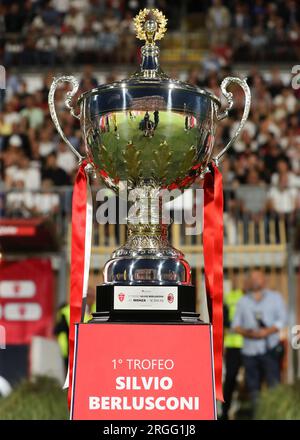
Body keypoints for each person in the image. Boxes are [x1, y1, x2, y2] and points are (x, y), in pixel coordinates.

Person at [232, 270, 287, 417]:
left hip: (270, 348)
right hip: (250, 350)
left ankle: (276, 415)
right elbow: (235, 325)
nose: (255, 280)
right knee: (253, 387)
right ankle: (258, 415)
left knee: (273, 385)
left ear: (264, 280)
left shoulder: (275, 298)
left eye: (258, 277)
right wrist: (248, 333)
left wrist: (267, 332)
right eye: (252, 278)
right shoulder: (242, 301)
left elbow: (282, 320)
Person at [54, 287, 96, 370]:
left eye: (94, 296)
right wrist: (64, 350)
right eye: (91, 296)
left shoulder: (97, 308)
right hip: (72, 350)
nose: (93, 299)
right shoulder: (68, 311)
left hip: (91, 350)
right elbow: (59, 331)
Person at [221, 286, 244, 420]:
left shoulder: (258, 297)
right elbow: (224, 318)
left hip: (251, 345)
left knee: (254, 380)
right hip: (234, 345)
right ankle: (225, 413)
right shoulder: (231, 297)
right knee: (230, 381)